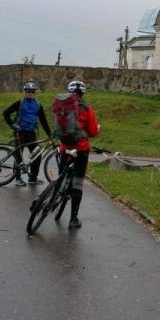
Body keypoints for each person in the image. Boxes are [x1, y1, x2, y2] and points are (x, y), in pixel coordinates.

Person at [60, 80, 100, 229]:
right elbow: (93, 131)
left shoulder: (61, 105)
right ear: (83, 93)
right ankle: (73, 219)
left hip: (65, 146)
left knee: (61, 175)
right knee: (77, 182)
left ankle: (57, 191)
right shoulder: (87, 108)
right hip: (81, 149)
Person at [3, 81, 52, 186]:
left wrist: (49, 133)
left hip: (31, 133)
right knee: (18, 156)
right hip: (20, 132)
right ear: (25, 92)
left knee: (37, 155)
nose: (29, 93)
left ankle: (33, 177)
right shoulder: (20, 103)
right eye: (28, 91)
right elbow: (6, 113)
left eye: (32, 92)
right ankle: (17, 178)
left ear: (34, 93)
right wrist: (13, 125)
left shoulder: (38, 105)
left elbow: (43, 120)